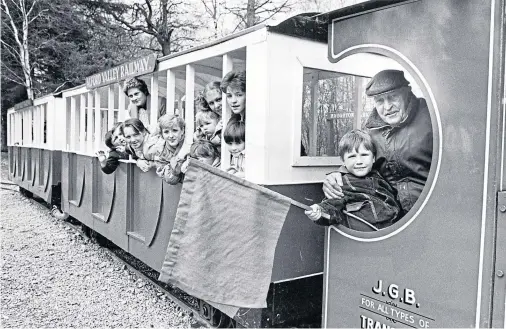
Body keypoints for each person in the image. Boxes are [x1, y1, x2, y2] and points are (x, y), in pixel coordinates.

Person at [323, 70, 433, 215]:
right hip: (393, 215)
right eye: (380, 101)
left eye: (393, 97)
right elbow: (360, 156)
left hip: (432, 209)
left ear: (407, 93)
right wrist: (337, 175)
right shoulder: (371, 131)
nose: (387, 107)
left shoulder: (431, 118)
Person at [305, 130, 400, 231]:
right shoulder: (342, 183)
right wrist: (319, 212)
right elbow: (331, 206)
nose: (359, 161)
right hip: (364, 238)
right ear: (343, 161)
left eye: (364, 155)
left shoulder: (380, 177)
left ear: (373, 158)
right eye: (352, 156)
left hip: (391, 233)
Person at [156, 116, 187, 185]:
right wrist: (179, 158)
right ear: (162, 134)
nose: (171, 136)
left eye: (175, 130)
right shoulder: (160, 151)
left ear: (182, 130)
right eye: (166, 132)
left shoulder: (189, 143)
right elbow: (170, 179)